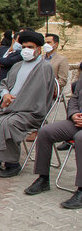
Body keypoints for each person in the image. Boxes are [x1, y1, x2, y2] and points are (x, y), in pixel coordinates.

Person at [0, 30, 55, 178]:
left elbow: (39, 95)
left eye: (31, 47)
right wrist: (5, 95)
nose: (27, 50)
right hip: (9, 107)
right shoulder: (18, 65)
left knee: (7, 124)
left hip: (29, 112)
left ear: (39, 49)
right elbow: (3, 84)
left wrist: (13, 105)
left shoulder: (44, 68)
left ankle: (12, 163)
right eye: (24, 47)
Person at [23, 78, 82, 209]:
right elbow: (74, 99)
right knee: (45, 132)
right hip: (77, 121)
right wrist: (73, 114)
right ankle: (43, 178)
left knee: (80, 139)